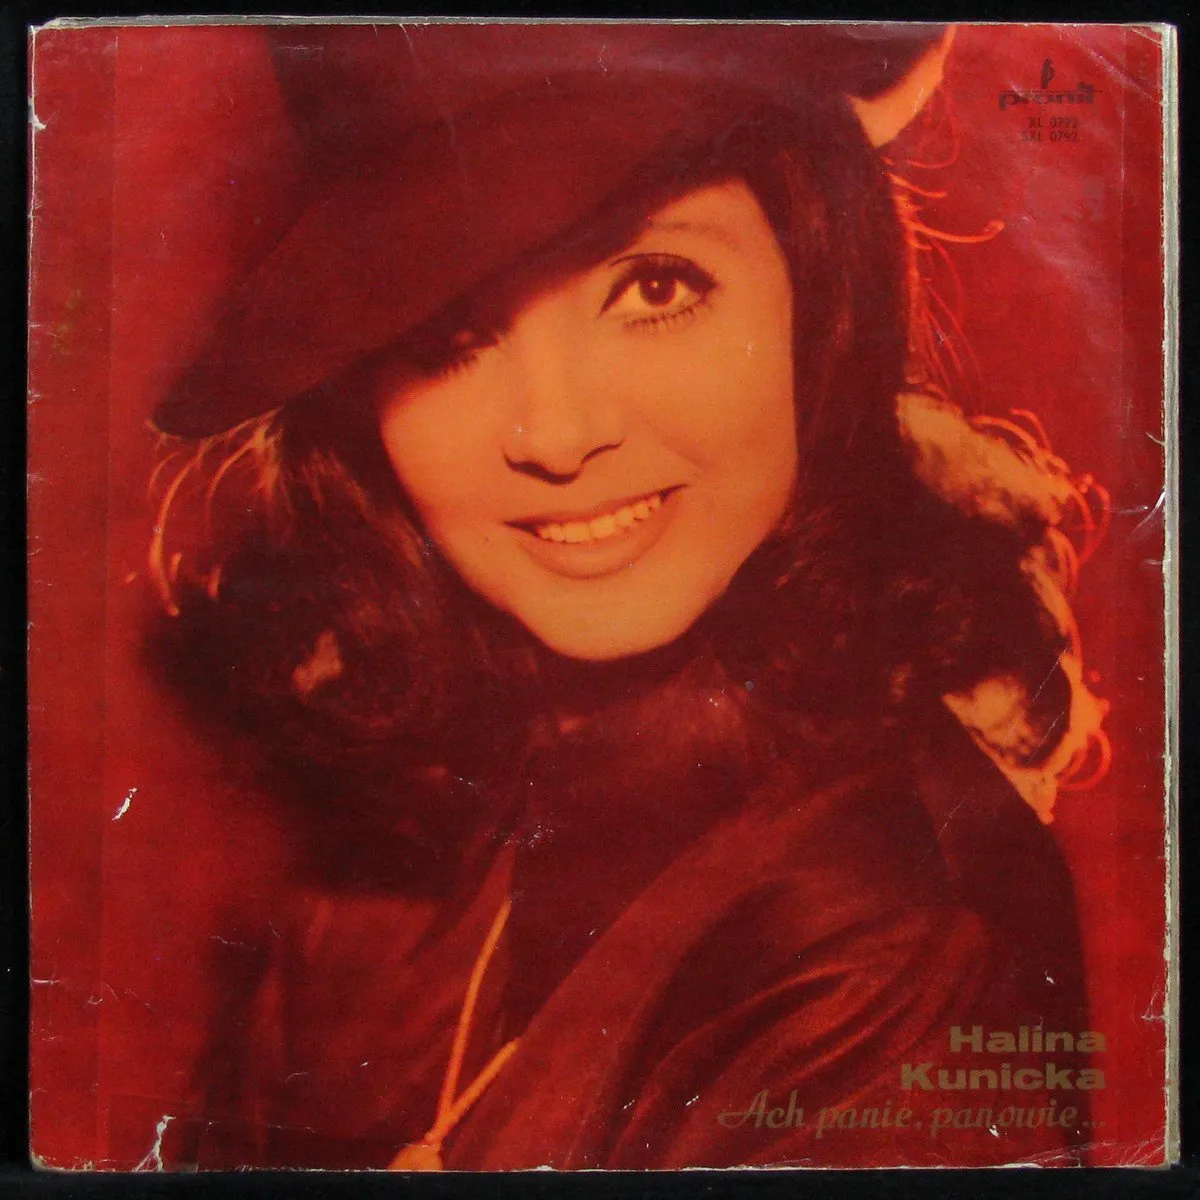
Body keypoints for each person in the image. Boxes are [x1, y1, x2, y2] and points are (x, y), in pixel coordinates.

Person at [143, 22, 1109, 1169]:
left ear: (819, 299)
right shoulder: (375, 868)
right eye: (447, 335)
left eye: (655, 286)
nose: (555, 436)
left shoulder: (899, 948)